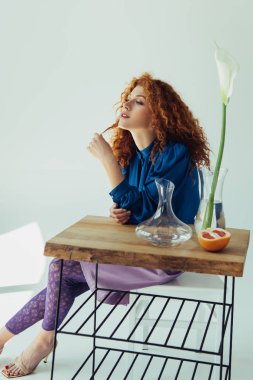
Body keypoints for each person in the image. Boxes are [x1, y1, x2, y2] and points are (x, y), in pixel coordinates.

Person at [0, 72, 211, 377]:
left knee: (61, 268)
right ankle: (18, 339)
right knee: (63, 272)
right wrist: (119, 212)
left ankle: (41, 341)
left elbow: (152, 208)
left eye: (139, 102)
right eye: (127, 99)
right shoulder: (132, 156)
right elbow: (136, 208)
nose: (126, 105)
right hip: (136, 247)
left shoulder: (176, 153)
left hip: (164, 255)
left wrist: (107, 163)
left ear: (158, 115)